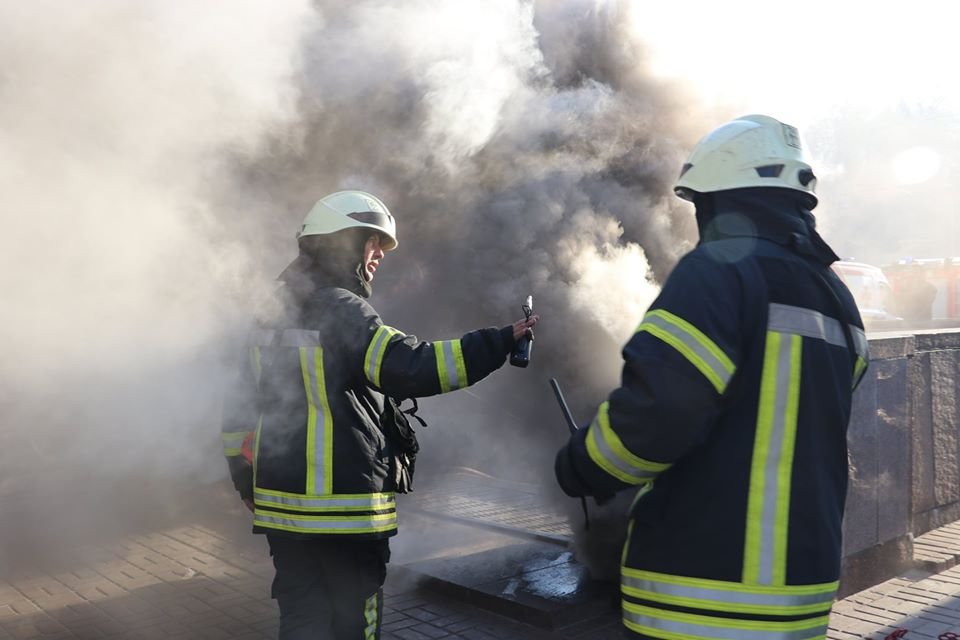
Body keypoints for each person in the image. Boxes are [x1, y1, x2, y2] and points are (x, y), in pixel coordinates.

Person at [554, 115, 868, 639]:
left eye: (701, 204)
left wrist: (583, 464)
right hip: (802, 597)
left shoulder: (719, 271)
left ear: (721, 200)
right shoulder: (839, 301)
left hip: (700, 592)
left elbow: (661, 411)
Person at [220, 190, 538, 639]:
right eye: (372, 244)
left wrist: (243, 480)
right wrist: (499, 341)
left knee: (302, 619)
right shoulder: (340, 309)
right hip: (347, 514)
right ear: (341, 242)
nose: (379, 257)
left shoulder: (266, 315)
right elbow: (413, 368)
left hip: (283, 511)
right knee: (355, 624)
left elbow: (237, 411)